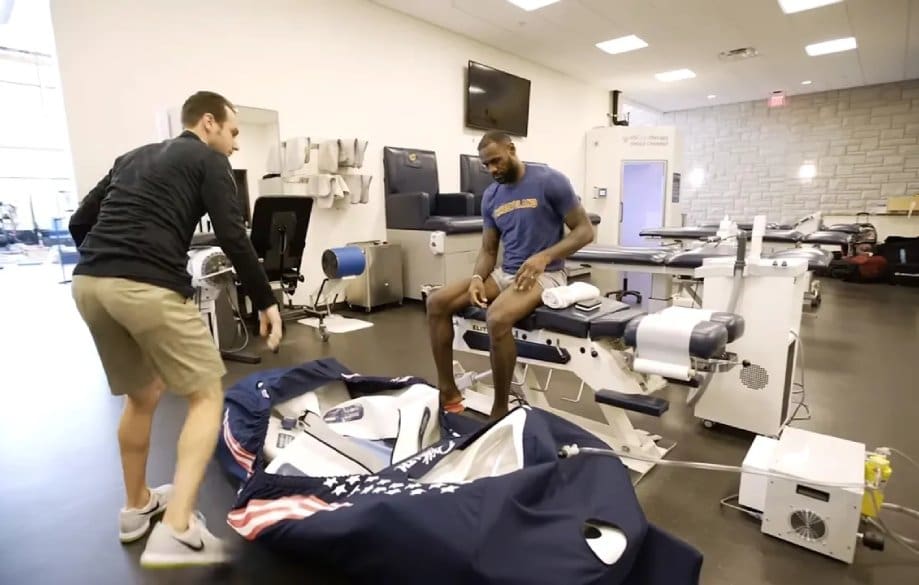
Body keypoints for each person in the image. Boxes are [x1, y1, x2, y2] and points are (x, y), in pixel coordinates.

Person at [68, 91, 282, 568]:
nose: (234, 144)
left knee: (142, 396)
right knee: (207, 393)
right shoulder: (209, 160)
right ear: (208, 124)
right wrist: (265, 300)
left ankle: (135, 507)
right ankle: (179, 526)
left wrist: (109, 264)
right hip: (147, 286)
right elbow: (232, 235)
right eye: (233, 132)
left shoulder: (132, 158)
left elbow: (80, 221)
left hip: (87, 285)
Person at [425, 131, 595, 419]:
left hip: (547, 274)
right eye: (486, 165)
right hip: (507, 273)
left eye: (496, 161)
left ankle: (501, 408)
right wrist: (478, 277)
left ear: (512, 149)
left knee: (498, 317)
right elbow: (489, 249)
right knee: (437, 302)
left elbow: (585, 230)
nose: (492, 170)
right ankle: (448, 390)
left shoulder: (549, 180)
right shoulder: (491, 196)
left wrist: (545, 257)